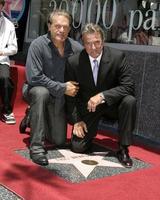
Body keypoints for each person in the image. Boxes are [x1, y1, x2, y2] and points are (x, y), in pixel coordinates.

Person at [65, 23, 136, 168]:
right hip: (88, 107)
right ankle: (89, 136)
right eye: (88, 43)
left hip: (112, 105)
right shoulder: (73, 62)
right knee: (78, 147)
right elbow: (70, 95)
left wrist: (102, 96)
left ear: (103, 41)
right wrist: (77, 120)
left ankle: (123, 148)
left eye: (97, 42)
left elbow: (128, 87)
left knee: (129, 101)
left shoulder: (117, 57)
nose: (93, 47)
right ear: (83, 44)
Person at [24, 9, 82, 166]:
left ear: (70, 29)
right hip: (36, 90)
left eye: (65, 27)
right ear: (49, 26)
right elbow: (34, 77)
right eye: (57, 26)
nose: (61, 30)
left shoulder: (76, 49)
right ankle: (36, 147)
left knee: (59, 140)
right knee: (41, 93)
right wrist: (63, 88)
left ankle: (33, 116)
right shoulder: (37, 45)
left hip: (58, 98)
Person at [0, 0, 18, 124]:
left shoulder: (9, 25)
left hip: (1, 59)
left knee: (5, 79)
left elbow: (14, 48)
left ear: (2, 6)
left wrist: (2, 52)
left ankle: (7, 111)